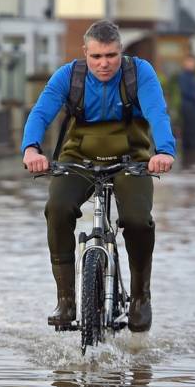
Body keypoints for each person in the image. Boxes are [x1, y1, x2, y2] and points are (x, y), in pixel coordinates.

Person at [21, 20, 176, 332]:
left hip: (131, 159)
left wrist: (164, 151)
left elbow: (157, 112)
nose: (104, 63)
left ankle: (140, 298)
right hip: (78, 158)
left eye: (111, 55)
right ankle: (66, 299)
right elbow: (41, 112)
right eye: (96, 57)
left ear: (121, 51)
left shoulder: (139, 73)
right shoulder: (69, 76)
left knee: (137, 219)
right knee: (57, 209)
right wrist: (31, 148)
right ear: (85, 53)